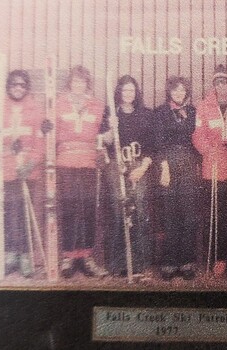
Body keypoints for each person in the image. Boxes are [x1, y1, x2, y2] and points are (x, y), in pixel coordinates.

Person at [193, 64, 227, 278]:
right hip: (214, 167)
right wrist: (208, 150)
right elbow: (198, 135)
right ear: (214, 85)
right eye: (218, 82)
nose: (222, 86)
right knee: (216, 215)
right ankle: (220, 258)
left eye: (225, 81)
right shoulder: (204, 106)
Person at [0, 69, 45, 278]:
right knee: (10, 212)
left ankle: (25, 256)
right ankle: (11, 254)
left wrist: (30, 164)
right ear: (8, 87)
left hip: (26, 169)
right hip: (7, 169)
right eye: (14, 85)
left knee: (24, 212)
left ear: (27, 87)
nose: (18, 89)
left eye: (22, 85)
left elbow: (40, 143)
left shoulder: (35, 109)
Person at [99, 75, 154, 278]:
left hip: (139, 165)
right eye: (125, 90)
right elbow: (104, 142)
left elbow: (151, 145)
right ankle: (117, 262)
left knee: (138, 209)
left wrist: (143, 168)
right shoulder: (111, 113)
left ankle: (139, 262)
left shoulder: (145, 114)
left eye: (132, 90)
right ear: (119, 93)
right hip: (117, 165)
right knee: (119, 210)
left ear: (136, 92)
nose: (128, 94)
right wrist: (110, 129)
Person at [55, 65, 108, 278]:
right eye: (75, 81)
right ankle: (68, 257)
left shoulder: (97, 105)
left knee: (87, 209)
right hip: (66, 162)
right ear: (70, 83)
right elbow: (52, 132)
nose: (79, 85)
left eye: (83, 82)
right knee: (68, 208)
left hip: (88, 163)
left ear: (87, 84)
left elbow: (104, 135)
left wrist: (109, 133)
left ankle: (86, 256)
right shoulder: (59, 104)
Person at [154, 76, 200, 280]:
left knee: (188, 215)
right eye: (175, 90)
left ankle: (186, 261)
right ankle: (169, 262)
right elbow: (158, 143)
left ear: (186, 92)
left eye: (182, 90)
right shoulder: (161, 112)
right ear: (169, 92)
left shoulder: (192, 112)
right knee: (170, 214)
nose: (179, 93)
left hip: (188, 163)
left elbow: (196, 140)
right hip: (168, 163)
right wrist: (164, 167)